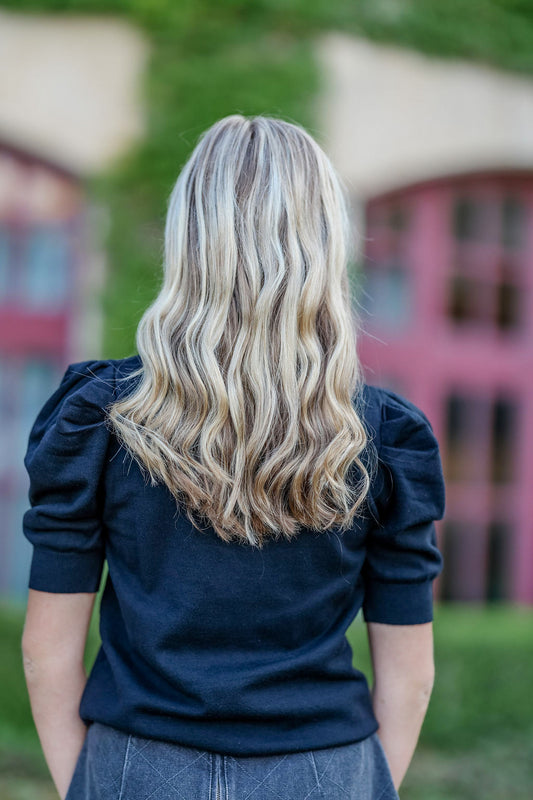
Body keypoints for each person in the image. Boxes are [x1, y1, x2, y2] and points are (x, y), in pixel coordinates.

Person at [21, 114, 445, 800]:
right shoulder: (382, 437)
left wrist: (93, 786)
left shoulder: (101, 417)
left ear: (188, 238)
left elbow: (46, 653)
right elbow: (410, 674)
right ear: (325, 241)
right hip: (323, 766)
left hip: (136, 767)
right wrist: (357, 786)